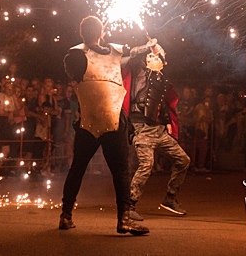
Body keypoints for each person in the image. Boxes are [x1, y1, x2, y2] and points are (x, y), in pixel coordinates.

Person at [59, 15, 149, 235]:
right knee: (121, 172)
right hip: (112, 121)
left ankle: (65, 215)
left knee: (77, 170)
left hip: (88, 122)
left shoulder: (73, 56)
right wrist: (148, 47)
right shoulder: (114, 54)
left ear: (81, 33)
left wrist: (145, 48)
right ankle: (124, 219)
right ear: (102, 32)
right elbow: (131, 57)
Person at [127, 45, 190, 221]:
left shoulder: (161, 80)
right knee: (146, 165)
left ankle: (170, 199)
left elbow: (160, 104)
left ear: (164, 61)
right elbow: (131, 54)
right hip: (141, 127)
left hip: (157, 129)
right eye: (150, 55)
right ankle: (129, 204)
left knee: (183, 160)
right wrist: (147, 46)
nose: (153, 56)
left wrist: (168, 122)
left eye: (158, 55)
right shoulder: (139, 72)